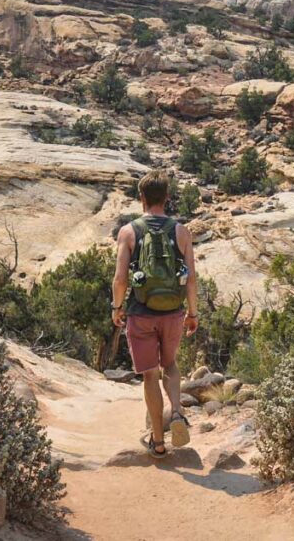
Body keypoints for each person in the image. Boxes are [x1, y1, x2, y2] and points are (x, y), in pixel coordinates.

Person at [112, 170, 198, 458]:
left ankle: (158, 442)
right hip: (173, 311)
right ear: (168, 198)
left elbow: (120, 278)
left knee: (150, 375)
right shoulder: (181, 231)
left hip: (141, 312)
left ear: (142, 198)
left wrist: (117, 306)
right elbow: (192, 278)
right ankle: (176, 413)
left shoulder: (129, 231)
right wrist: (193, 313)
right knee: (170, 365)